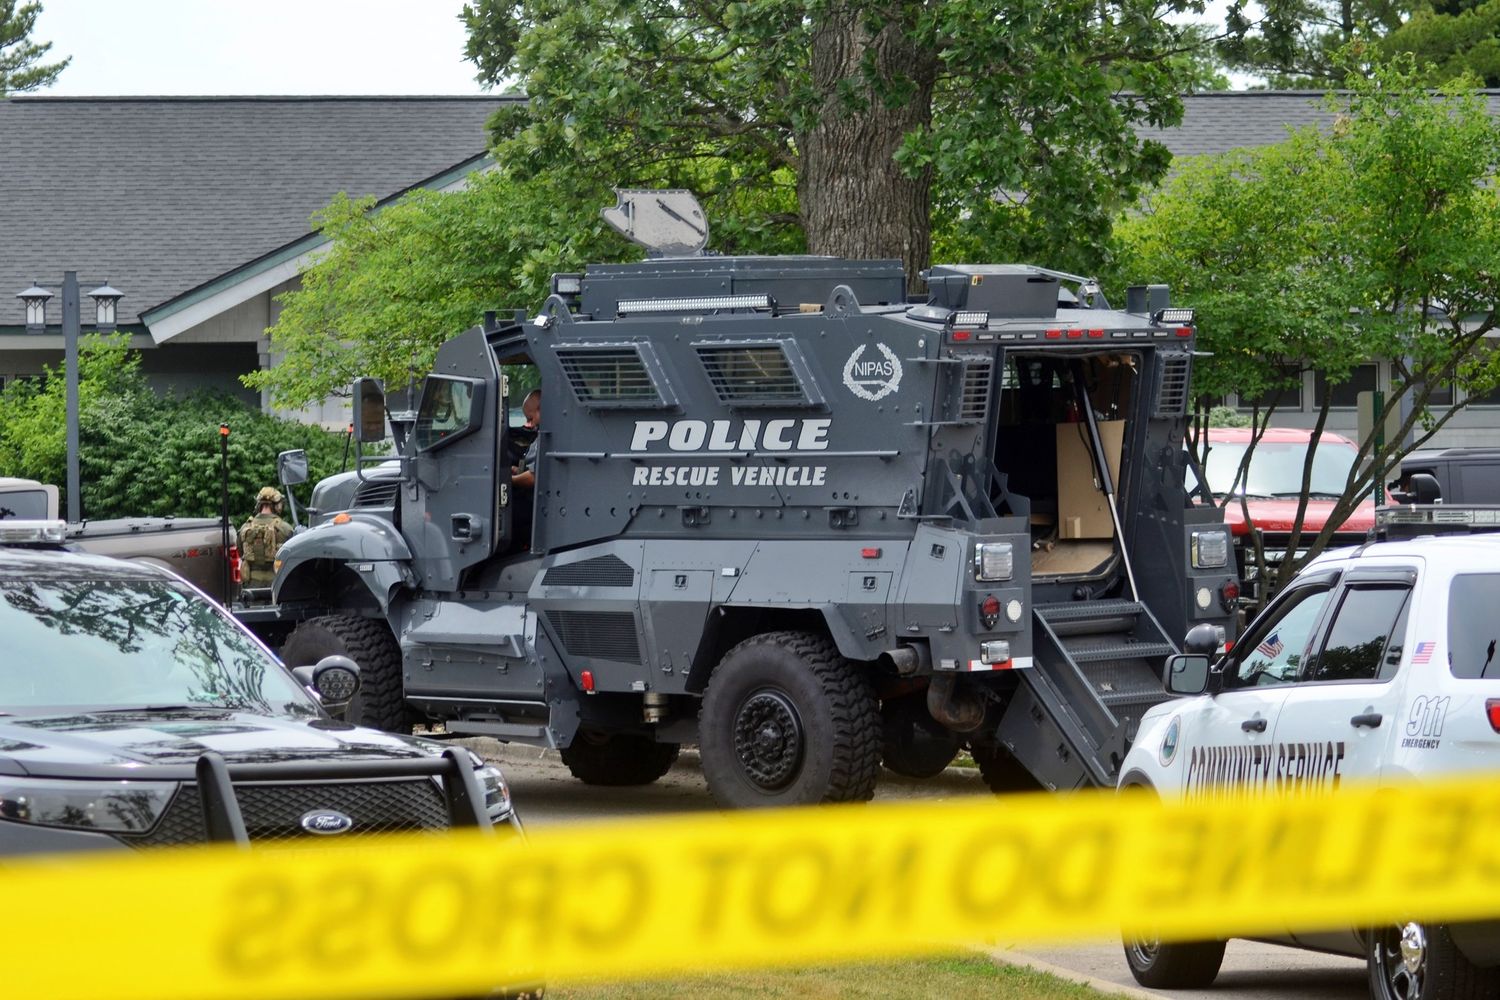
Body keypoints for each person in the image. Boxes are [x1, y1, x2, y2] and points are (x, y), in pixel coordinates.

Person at [239, 487, 294, 593]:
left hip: (252, 586)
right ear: (277, 505)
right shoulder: (285, 529)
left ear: (259, 505)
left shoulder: (245, 528)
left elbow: (241, 552)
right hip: (277, 585)